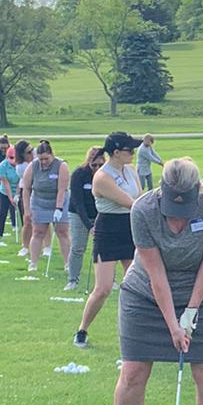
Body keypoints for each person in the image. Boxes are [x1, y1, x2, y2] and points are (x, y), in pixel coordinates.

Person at [102, 157, 203, 405]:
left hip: (200, 289)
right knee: (133, 371)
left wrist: (192, 309)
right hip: (145, 293)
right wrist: (174, 325)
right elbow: (155, 272)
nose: (178, 221)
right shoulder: (142, 210)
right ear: (161, 191)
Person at [73, 133, 142, 347]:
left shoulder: (131, 170)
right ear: (116, 152)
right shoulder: (102, 177)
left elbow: (139, 196)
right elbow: (130, 202)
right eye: (129, 150)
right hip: (109, 230)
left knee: (135, 285)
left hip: (129, 229)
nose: (133, 153)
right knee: (103, 288)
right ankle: (82, 330)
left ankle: (134, 334)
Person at [20, 140, 70, 273]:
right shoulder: (33, 166)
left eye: (46, 158)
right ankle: (33, 263)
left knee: (62, 232)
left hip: (59, 201)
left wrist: (59, 208)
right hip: (39, 202)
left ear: (52, 155)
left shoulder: (61, 166)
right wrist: (27, 210)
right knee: (38, 232)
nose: (43, 162)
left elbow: (61, 189)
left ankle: (68, 264)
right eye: (40, 159)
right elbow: (26, 189)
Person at [65, 146, 106, 290]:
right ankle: (72, 279)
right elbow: (77, 202)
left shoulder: (107, 175)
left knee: (103, 249)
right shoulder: (79, 174)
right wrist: (89, 226)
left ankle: (107, 281)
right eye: (94, 165)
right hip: (78, 214)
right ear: (88, 161)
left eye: (101, 165)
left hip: (100, 213)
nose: (97, 168)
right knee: (77, 247)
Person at [0, 138, 22, 247]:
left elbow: (21, 180)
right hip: (4, 192)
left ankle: (25, 236)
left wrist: (17, 195)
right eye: (10, 158)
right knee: (2, 212)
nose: (13, 160)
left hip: (19, 190)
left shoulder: (21, 165)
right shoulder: (2, 166)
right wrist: (11, 197)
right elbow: (5, 183)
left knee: (24, 214)